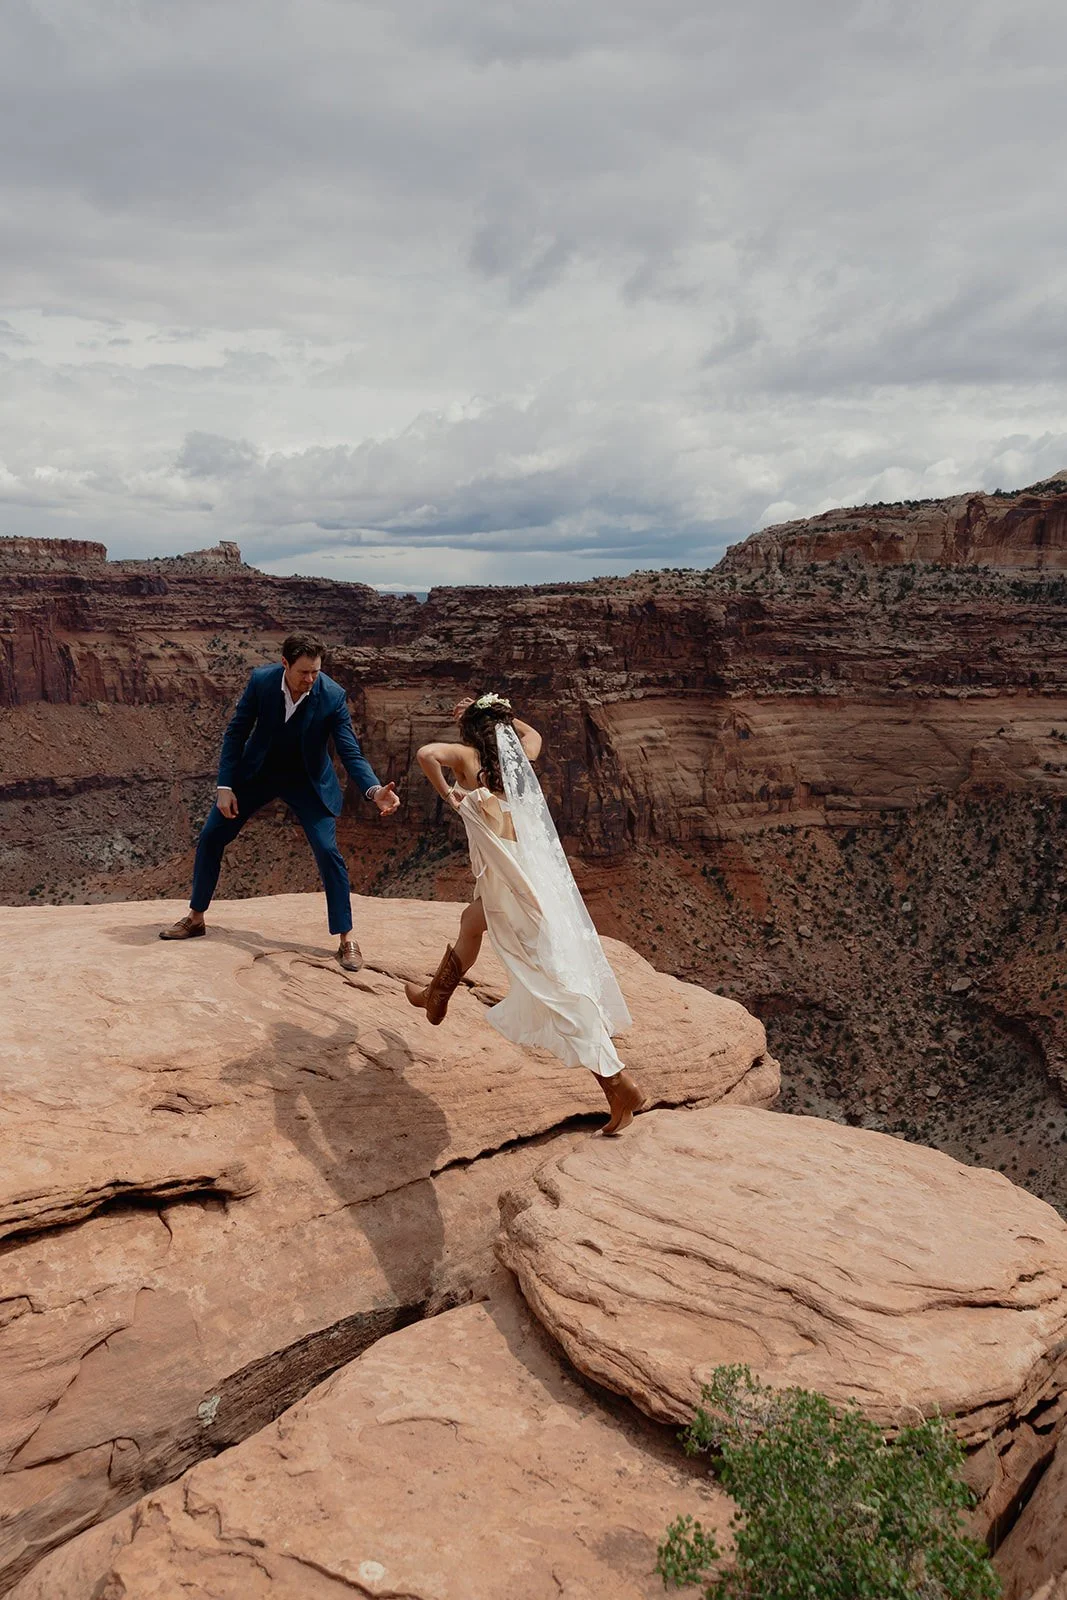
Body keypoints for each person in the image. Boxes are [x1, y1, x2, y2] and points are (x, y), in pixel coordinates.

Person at [405, 692, 646, 1135]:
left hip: (507, 883)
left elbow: (424, 754)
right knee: (470, 922)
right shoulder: (519, 760)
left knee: (551, 987)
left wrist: (450, 796)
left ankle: (617, 1082)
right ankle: (435, 996)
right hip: (528, 874)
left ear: (471, 727)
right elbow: (531, 733)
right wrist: (498, 714)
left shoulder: (465, 756)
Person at [160, 633, 399, 969]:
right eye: (304, 672)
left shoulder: (331, 696)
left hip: (307, 783)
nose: (311, 679)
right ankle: (196, 917)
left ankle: (346, 939)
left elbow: (350, 752)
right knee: (212, 834)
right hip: (258, 774)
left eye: (316, 671)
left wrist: (374, 791)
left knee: (328, 851)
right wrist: (225, 786)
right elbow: (236, 732)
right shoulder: (262, 682)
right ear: (284, 663)